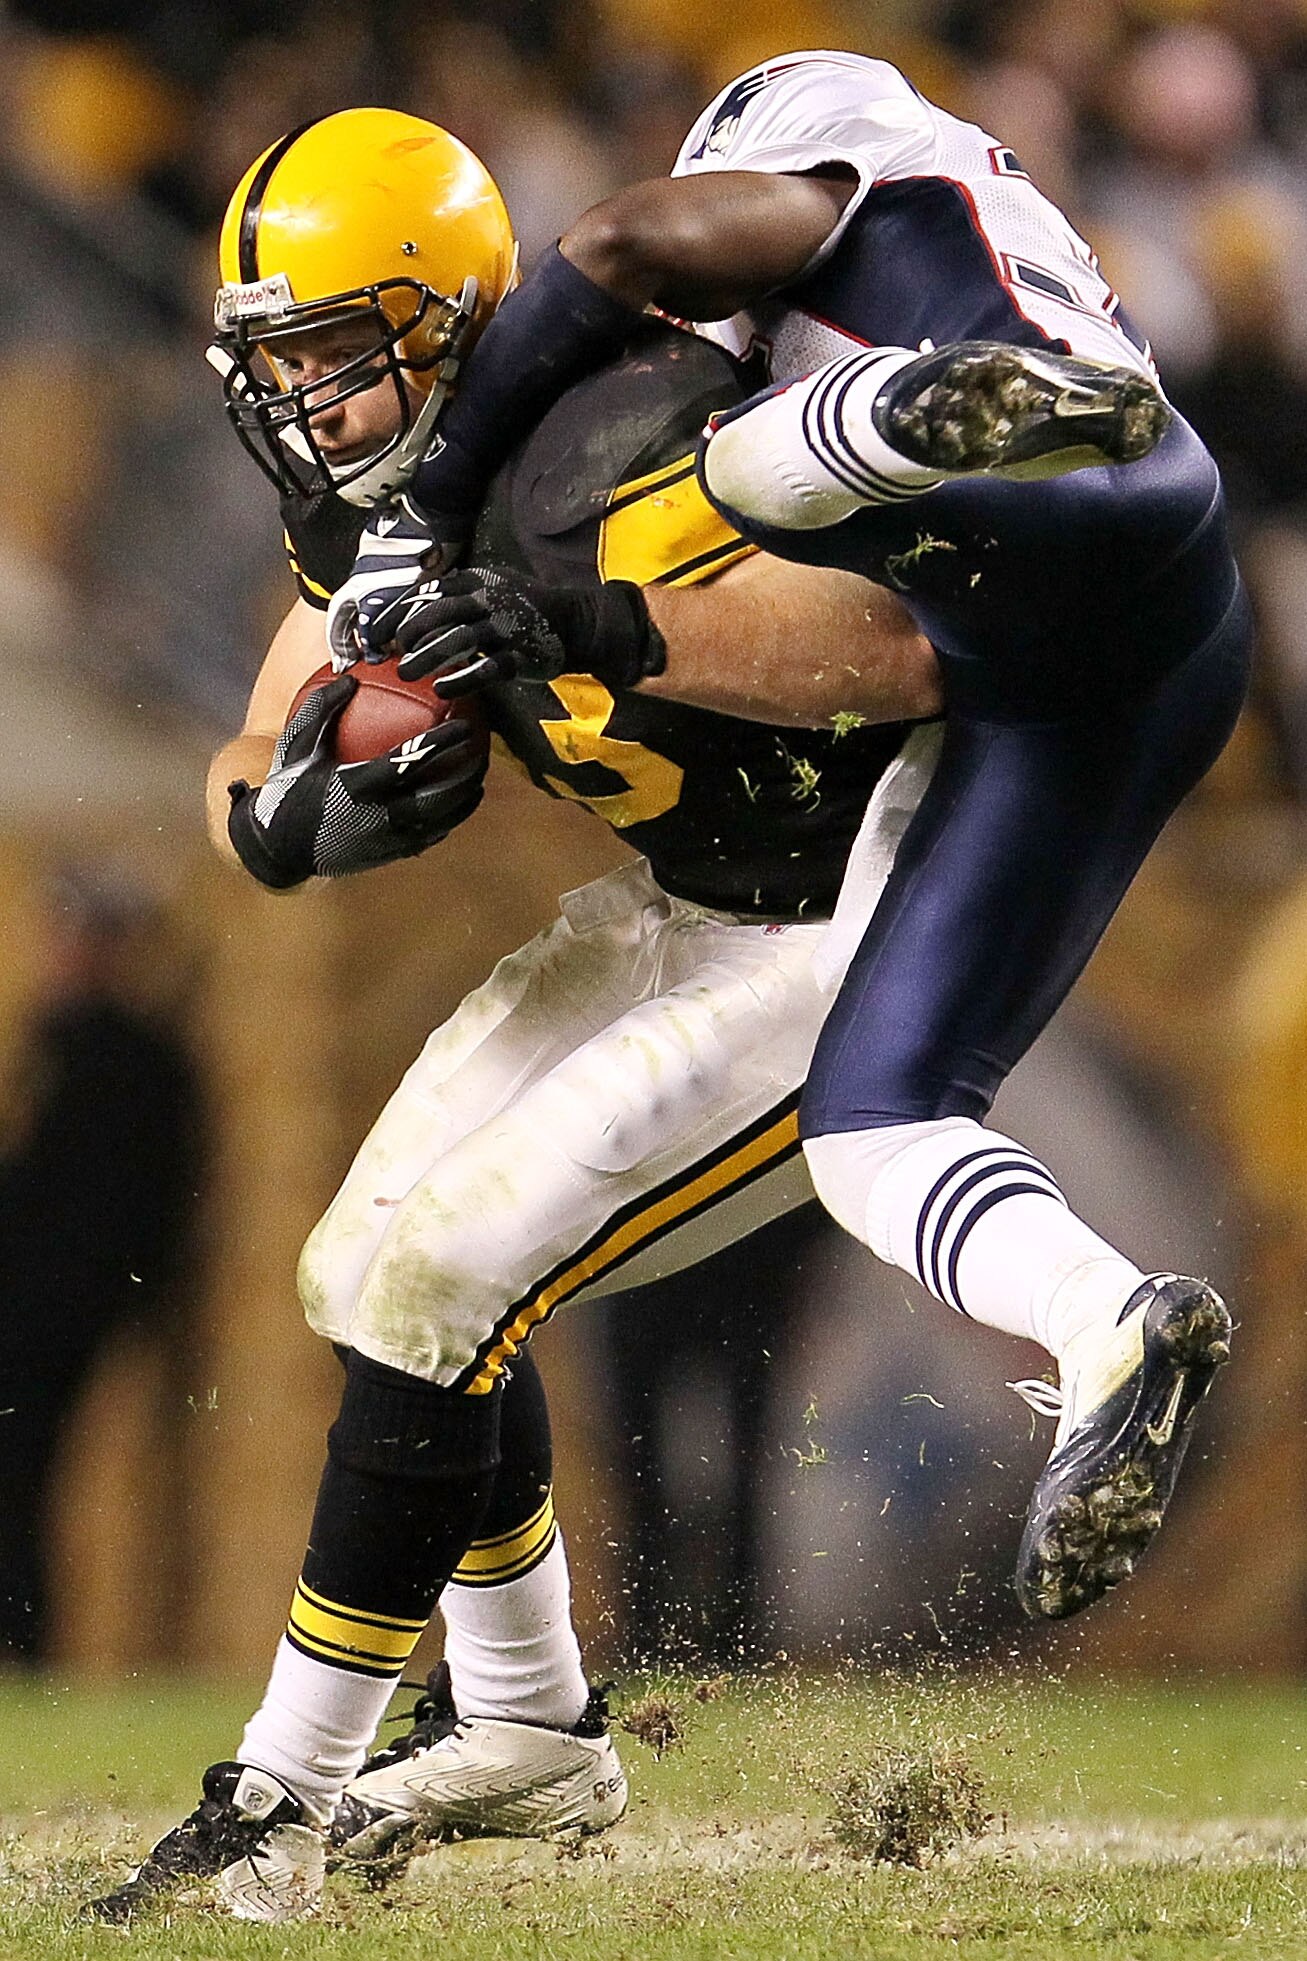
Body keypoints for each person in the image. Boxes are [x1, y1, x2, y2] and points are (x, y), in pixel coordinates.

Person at [90, 108, 941, 1923]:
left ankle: (279, 1795)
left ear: (449, 316)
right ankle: (538, 1723)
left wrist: (577, 617)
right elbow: (257, 743)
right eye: (281, 364)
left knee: (445, 1274)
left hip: (850, 928)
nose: (307, 403)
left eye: (332, 351)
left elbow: (893, 647)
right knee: (362, 1266)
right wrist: (279, 813)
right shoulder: (386, 504)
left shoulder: (627, 423)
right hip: (682, 910)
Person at [331, 50, 1248, 1639]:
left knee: (742, 466)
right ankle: (1115, 1324)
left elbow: (622, 241)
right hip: (1107, 653)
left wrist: (441, 500)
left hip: (1050, 502)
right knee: (874, 1127)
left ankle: (899, 418)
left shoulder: (859, 173)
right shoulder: (1004, 234)